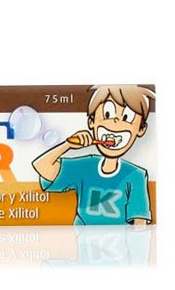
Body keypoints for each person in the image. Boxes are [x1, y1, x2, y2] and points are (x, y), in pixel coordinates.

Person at [32, 85, 155, 225]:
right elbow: (41, 165)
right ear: (91, 122)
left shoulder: (136, 175)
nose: (115, 122)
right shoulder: (86, 166)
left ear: (141, 129)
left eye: (126, 117)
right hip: (80, 238)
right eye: (107, 114)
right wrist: (68, 145)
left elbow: (139, 223)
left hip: (119, 239)